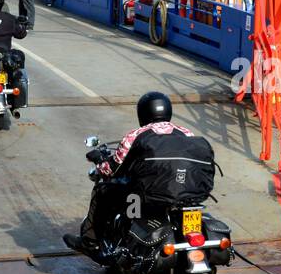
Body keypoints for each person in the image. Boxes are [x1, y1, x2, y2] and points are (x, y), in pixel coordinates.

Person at [64, 91, 210, 258]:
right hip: (187, 192)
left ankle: (90, 242)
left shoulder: (136, 135)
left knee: (102, 192)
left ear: (143, 113)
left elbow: (111, 169)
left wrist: (99, 161)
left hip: (148, 195)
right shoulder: (186, 132)